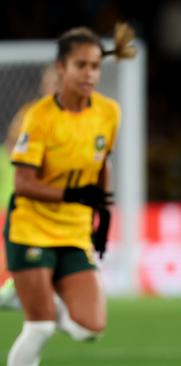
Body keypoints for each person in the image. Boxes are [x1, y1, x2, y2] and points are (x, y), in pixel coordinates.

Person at [3, 23, 136, 366]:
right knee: (41, 327)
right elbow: (23, 183)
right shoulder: (38, 117)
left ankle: (26, 293)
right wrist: (76, 195)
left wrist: (102, 217)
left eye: (95, 66)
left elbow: (101, 163)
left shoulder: (109, 112)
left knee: (90, 327)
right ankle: (34, 296)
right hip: (31, 228)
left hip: (74, 231)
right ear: (61, 68)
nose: (90, 74)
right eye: (81, 65)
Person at [0, 65, 59, 311]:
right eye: (51, 82)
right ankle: (13, 289)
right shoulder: (30, 113)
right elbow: (11, 148)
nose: (55, 87)